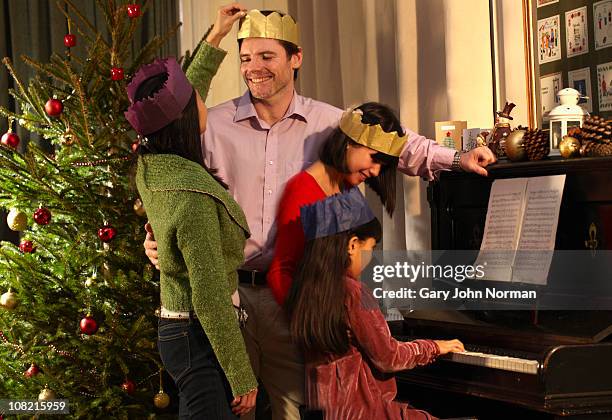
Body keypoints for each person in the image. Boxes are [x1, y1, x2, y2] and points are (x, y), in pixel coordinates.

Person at [144, 6, 496, 419]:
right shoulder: (212, 125)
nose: (253, 68)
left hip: (291, 301)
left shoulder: (331, 123)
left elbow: (399, 145)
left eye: (266, 56)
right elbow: (172, 182)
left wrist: (457, 160)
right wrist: (158, 241)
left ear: (296, 58)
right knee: (229, 409)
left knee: (295, 411)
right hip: (227, 299)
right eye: (246, 58)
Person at [127, 55, 257, 418]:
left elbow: (177, 96)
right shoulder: (191, 196)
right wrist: (242, 376)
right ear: (183, 116)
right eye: (196, 98)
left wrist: (216, 37)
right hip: (199, 333)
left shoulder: (151, 164)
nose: (203, 100)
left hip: (179, 329)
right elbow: (210, 293)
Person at [287, 188, 465, 419]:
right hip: (366, 412)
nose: (371, 257)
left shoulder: (305, 287)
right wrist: (434, 347)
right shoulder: (354, 292)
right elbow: (389, 358)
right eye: (371, 248)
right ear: (352, 245)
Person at [268, 102, 408, 306]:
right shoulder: (303, 190)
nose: (376, 172)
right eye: (373, 159)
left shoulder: (349, 191)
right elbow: (281, 271)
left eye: (382, 166)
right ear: (349, 142)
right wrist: (311, 323)